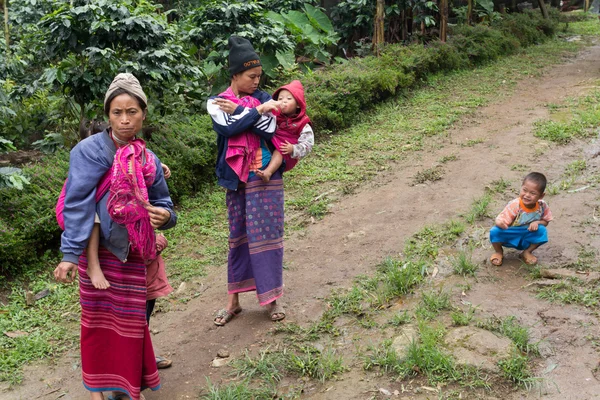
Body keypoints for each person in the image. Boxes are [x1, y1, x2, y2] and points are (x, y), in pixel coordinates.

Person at [54, 73, 177, 400]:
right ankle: (97, 388)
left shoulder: (148, 159)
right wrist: (69, 256)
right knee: (97, 327)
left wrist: (166, 216)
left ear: (143, 113)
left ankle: (127, 386)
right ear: (108, 115)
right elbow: (77, 204)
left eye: (132, 112)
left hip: (135, 254)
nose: (125, 120)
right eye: (117, 113)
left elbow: (164, 201)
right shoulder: (89, 152)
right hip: (100, 253)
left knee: (132, 325)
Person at [207, 36, 286, 325]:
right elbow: (228, 129)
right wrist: (255, 111)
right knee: (237, 236)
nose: (256, 81)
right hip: (236, 179)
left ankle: (272, 299)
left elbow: (269, 129)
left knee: (267, 236)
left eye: (259, 76)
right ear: (235, 75)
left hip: (265, 176)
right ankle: (234, 302)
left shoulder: (266, 98)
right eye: (251, 76)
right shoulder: (216, 102)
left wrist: (245, 112)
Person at [255, 80, 314, 182]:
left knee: (279, 151)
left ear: (298, 104)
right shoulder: (274, 115)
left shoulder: (303, 123)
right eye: (280, 98)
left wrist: (293, 148)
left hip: (287, 153)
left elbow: (308, 144)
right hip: (272, 144)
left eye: (289, 99)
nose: (283, 101)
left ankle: (268, 172)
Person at [489, 172, 553, 266]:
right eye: (524, 190)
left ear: (541, 196)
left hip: (528, 234)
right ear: (521, 187)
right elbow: (501, 219)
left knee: (542, 231)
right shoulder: (515, 204)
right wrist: (500, 223)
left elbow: (546, 221)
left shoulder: (542, 206)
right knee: (494, 231)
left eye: (533, 193)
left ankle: (527, 252)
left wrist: (537, 222)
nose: (527, 195)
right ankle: (498, 252)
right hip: (512, 233)